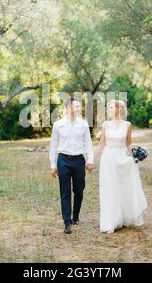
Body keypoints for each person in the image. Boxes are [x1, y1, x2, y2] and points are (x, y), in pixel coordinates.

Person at [94, 99, 148, 233]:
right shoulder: (105, 125)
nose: (108, 110)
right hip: (108, 159)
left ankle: (122, 218)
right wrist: (90, 160)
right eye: (108, 108)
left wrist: (135, 155)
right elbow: (101, 145)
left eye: (111, 107)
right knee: (109, 189)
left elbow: (129, 143)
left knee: (122, 188)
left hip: (122, 159)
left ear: (119, 109)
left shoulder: (127, 125)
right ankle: (110, 222)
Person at [49, 97, 94, 234]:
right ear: (68, 108)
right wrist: (53, 164)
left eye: (79, 107)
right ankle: (67, 222)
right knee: (65, 192)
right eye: (76, 106)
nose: (78, 109)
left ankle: (75, 216)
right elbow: (54, 145)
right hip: (63, 160)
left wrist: (90, 160)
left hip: (79, 160)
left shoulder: (83, 124)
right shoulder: (58, 125)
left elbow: (88, 143)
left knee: (79, 191)